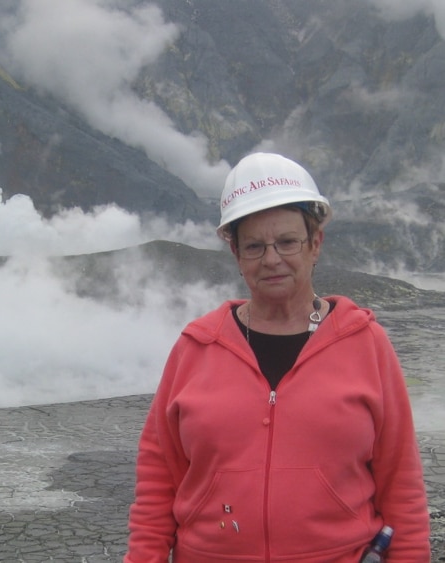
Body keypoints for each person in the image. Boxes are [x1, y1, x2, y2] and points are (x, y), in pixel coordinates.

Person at [125, 152, 431, 562]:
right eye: (254, 246)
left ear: (315, 244)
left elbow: (403, 487)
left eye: (287, 242)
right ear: (236, 254)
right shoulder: (195, 348)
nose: (272, 259)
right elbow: (158, 479)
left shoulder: (367, 344)